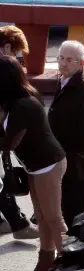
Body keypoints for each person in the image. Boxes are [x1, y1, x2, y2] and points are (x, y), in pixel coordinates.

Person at [0, 55, 68, 271]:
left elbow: (9, 143)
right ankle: (45, 264)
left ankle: (69, 270)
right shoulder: (17, 100)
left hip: (48, 163)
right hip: (36, 165)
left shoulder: (23, 104)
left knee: (53, 218)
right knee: (42, 217)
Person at [48, 41, 84, 228]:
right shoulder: (66, 80)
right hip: (65, 159)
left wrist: (63, 152)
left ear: (81, 63)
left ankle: (74, 252)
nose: (63, 63)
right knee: (65, 209)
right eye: (61, 58)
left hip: (77, 163)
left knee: (74, 215)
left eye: (69, 60)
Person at [0, 26, 38, 239]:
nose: (17, 59)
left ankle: (15, 223)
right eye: (16, 53)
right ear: (7, 47)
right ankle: (18, 224)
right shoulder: (4, 69)